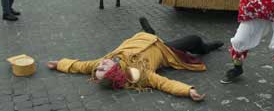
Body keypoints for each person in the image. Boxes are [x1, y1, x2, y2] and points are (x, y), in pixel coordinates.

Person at [47, 17, 223, 101]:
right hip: (163, 49)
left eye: (99, 68)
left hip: (139, 40)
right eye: (102, 68)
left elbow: (82, 66)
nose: (100, 64)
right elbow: (164, 83)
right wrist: (188, 91)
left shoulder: (106, 60)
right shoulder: (139, 74)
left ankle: (149, 32)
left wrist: (59, 64)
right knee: (194, 40)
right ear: (115, 72)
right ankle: (208, 47)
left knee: (147, 35)